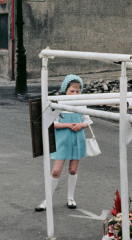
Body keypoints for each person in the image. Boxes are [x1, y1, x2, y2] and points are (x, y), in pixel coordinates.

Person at [36, 74, 91, 211]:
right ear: (65, 90)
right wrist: (67, 125)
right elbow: (52, 123)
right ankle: (47, 200)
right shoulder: (59, 103)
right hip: (62, 140)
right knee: (55, 171)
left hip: (77, 138)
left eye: (78, 91)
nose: (75, 93)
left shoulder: (81, 103)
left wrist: (80, 125)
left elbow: (87, 121)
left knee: (73, 169)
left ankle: (70, 197)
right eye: (72, 90)